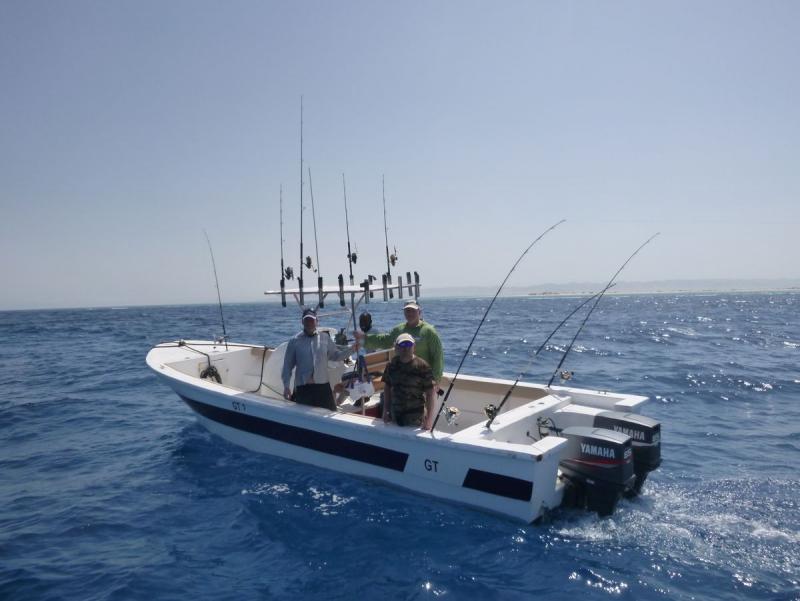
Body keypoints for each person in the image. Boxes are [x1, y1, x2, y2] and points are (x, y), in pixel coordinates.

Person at [282, 308, 354, 410]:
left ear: (317, 321)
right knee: (304, 417)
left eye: (312, 320)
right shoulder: (294, 341)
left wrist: (353, 349)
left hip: (323, 387)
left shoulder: (325, 338)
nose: (309, 323)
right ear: (302, 321)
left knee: (330, 413)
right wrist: (286, 387)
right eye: (306, 320)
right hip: (303, 389)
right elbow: (287, 366)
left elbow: (336, 356)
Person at [361, 300, 443, 386]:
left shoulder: (429, 331)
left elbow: (438, 356)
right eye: (407, 310)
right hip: (402, 379)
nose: (410, 313)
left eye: (413, 310)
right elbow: (385, 340)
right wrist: (364, 339)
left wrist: (435, 380)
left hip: (422, 379)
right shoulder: (399, 329)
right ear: (404, 312)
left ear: (419, 312)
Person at [381, 333, 435, 429]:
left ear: (414, 346)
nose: (406, 348)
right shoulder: (392, 365)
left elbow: (430, 393)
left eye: (409, 344)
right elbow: (387, 388)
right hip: (394, 417)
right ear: (396, 347)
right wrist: (386, 410)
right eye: (402, 345)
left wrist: (429, 419)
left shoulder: (423, 366)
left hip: (416, 419)